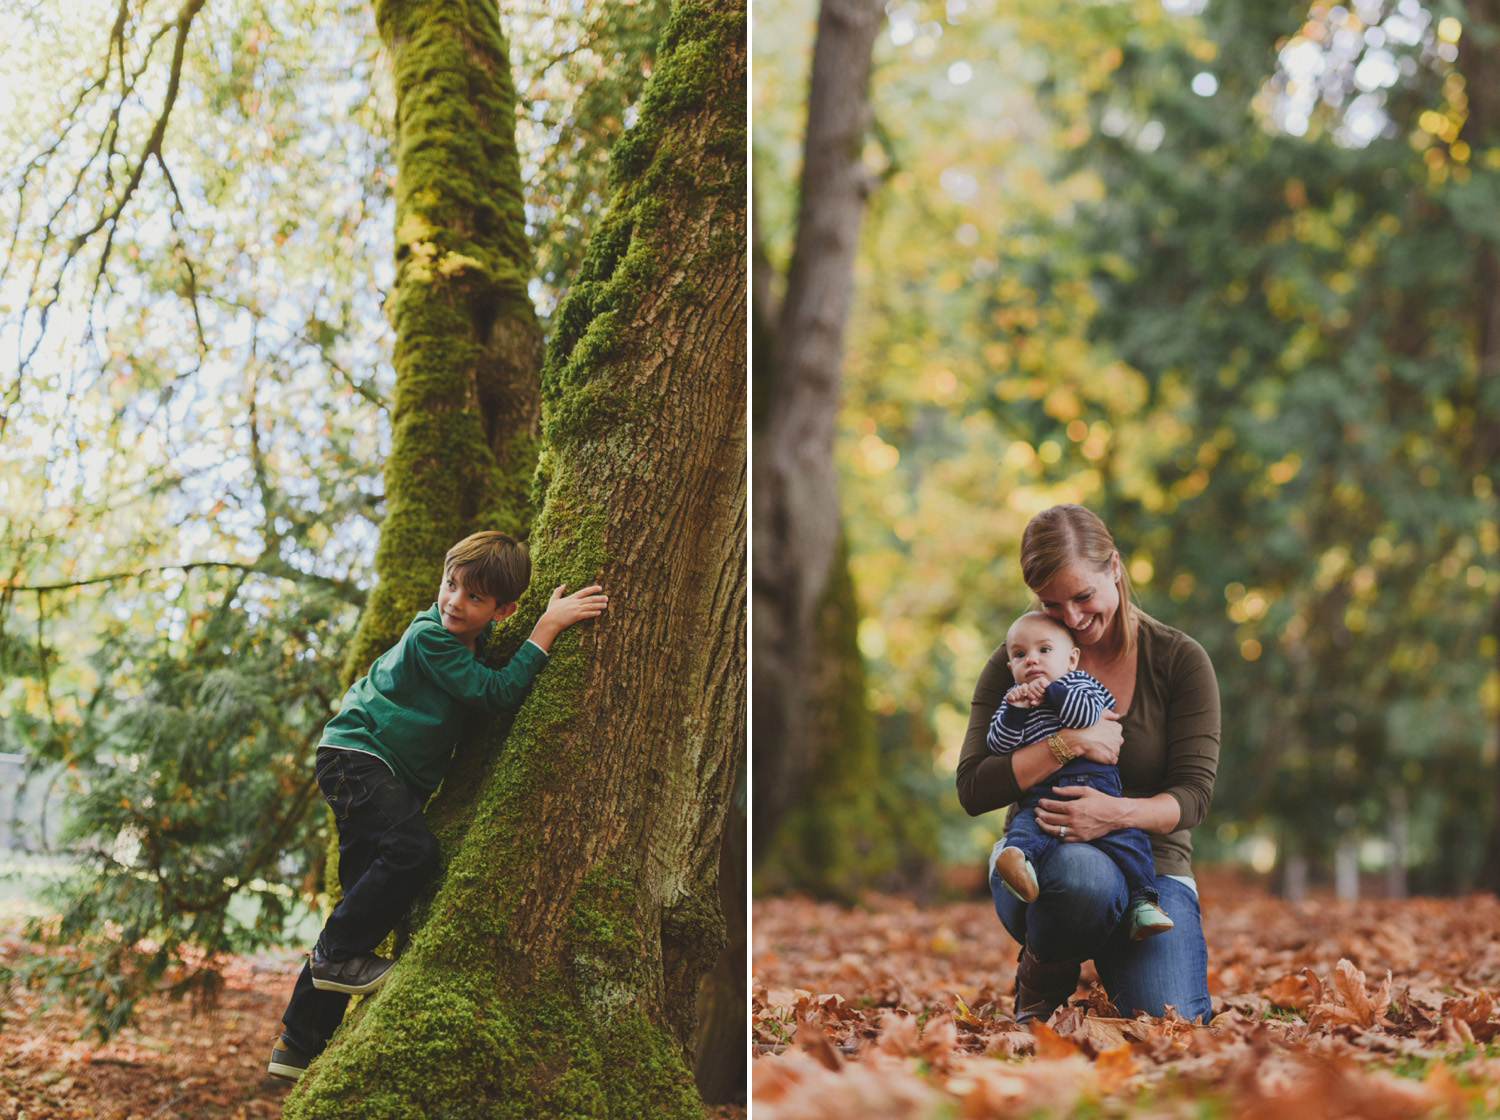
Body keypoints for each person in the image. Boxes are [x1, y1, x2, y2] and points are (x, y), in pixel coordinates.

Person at [268, 531, 609, 1081]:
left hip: (381, 774)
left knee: (361, 906)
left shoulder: (469, 648)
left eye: (474, 598)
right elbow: (497, 695)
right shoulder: (431, 635)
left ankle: (297, 1043)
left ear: (503, 611)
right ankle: (331, 961)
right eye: (451, 585)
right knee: (412, 851)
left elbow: (483, 685)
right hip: (356, 756)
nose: (454, 601)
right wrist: (548, 628)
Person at [956, 504, 1219, 1027]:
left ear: (1114, 569)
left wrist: (1115, 814)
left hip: (1153, 870)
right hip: (1043, 859)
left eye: (1082, 597)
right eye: (1053, 604)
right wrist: (1068, 743)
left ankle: (1112, 947)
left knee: (1168, 1023)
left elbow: (1193, 796)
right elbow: (973, 787)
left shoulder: (1179, 660)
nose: (1072, 618)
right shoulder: (1020, 659)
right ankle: (1045, 970)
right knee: (1082, 880)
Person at [986, 610, 1173, 942]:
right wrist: (1015, 711)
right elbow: (999, 745)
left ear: (1072, 659)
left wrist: (1052, 692)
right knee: (1026, 829)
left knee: (1130, 842)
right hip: (1042, 796)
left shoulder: (1080, 684)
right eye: (1020, 655)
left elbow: (1087, 715)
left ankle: (1143, 902)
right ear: (1010, 668)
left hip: (1097, 788)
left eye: (1044, 651)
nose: (1032, 661)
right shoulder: (1014, 701)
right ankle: (1021, 869)